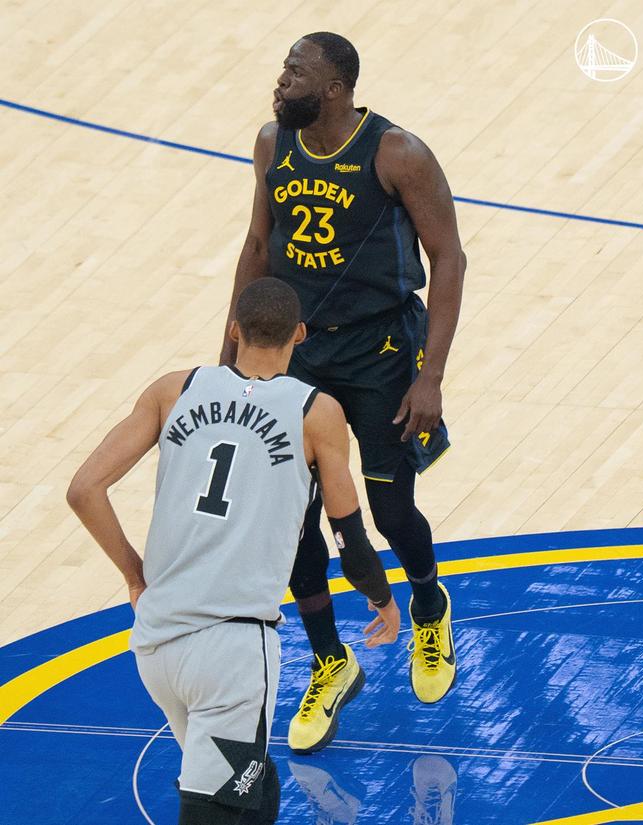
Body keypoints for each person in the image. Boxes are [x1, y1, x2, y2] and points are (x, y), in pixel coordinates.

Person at [67, 277, 400, 825]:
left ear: (234, 330)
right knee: (216, 809)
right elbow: (348, 534)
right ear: (300, 334)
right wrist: (381, 597)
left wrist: (134, 576)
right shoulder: (315, 412)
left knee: (254, 782)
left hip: (156, 644)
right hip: (232, 651)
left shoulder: (173, 390)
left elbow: (83, 490)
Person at [220, 31, 467, 755]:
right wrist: (233, 347)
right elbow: (258, 246)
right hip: (300, 348)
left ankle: (428, 603)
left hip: (382, 349)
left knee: (390, 509)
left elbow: (449, 257)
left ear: (334, 88)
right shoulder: (272, 144)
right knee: (292, 514)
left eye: (296, 72)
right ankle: (331, 658)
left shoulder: (397, 154)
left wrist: (431, 374)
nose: (281, 81)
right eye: (283, 68)